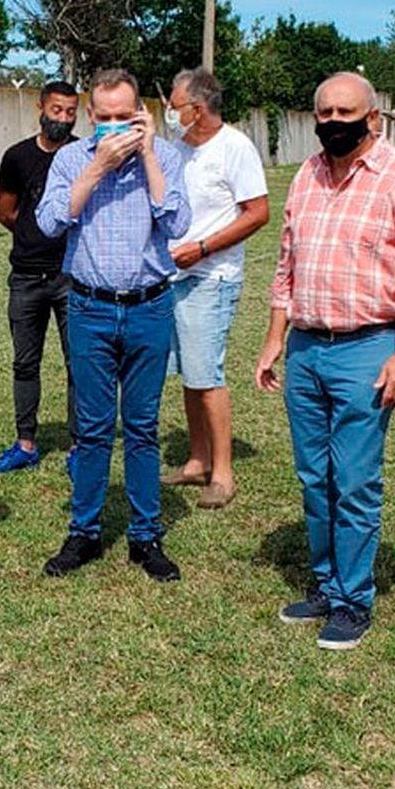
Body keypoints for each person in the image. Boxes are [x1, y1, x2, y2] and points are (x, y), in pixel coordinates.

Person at [256, 72, 395, 649]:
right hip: (307, 348)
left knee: (355, 481)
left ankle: (353, 599)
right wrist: (274, 340)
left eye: (347, 112)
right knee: (315, 477)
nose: (334, 122)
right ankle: (325, 583)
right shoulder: (307, 176)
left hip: (369, 348)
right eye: (325, 113)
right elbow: (286, 269)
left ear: (374, 119)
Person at [35, 68, 191, 583]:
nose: (114, 127)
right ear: (89, 116)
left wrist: (147, 155)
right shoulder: (70, 160)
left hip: (149, 307)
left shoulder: (166, 157)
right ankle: (84, 530)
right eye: (104, 119)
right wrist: (95, 169)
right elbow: (50, 222)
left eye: (125, 117)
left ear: (141, 114)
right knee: (95, 427)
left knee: (142, 429)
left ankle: (146, 535)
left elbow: (178, 224)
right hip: (90, 308)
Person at [160, 67, 269, 509]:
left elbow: (257, 212)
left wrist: (202, 248)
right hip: (174, 277)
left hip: (211, 276)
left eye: (173, 104)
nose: (169, 111)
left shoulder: (235, 148)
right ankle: (198, 460)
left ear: (197, 108)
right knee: (189, 373)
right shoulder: (177, 148)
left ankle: (223, 473)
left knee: (208, 375)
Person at [0, 80, 81, 477]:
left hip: (71, 276)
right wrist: (33, 236)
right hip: (26, 276)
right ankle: (25, 443)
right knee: (25, 362)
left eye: (71, 112)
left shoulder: (82, 156)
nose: (62, 118)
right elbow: (7, 213)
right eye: (56, 110)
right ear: (40, 107)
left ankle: (80, 446)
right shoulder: (17, 157)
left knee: (80, 363)